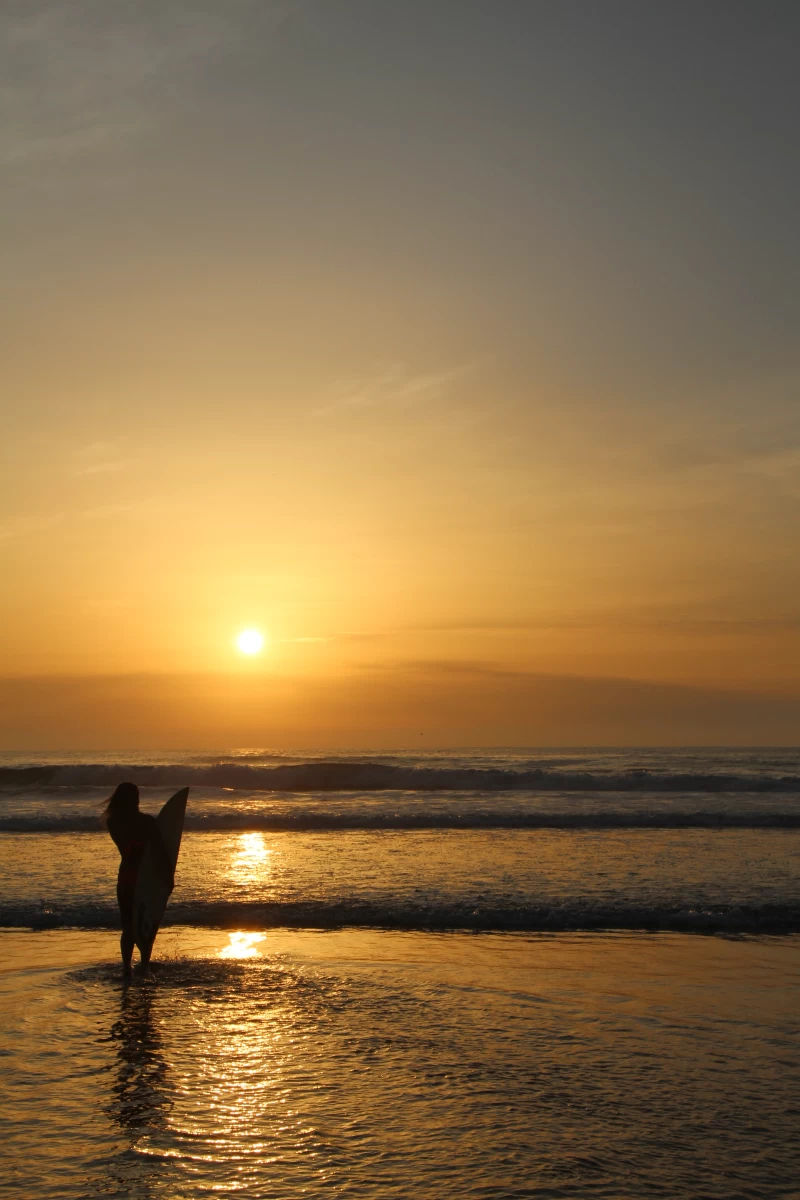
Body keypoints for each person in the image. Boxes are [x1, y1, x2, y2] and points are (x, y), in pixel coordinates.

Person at [104, 782, 174, 977]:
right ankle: (144, 965)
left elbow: (127, 847)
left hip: (126, 877)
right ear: (134, 799)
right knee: (146, 924)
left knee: (128, 926)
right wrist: (168, 877)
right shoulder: (147, 822)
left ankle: (126, 967)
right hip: (145, 879)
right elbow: (159, 852)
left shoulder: (113, 823)